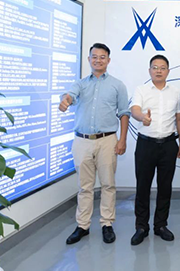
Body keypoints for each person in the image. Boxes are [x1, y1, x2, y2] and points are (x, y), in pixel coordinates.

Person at [60, 43, 129, 245]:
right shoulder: (80, 84)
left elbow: (124, 113)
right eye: (94, 56)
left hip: (107, 140)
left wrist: (122, 139)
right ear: (89, 59)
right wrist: (65, 101)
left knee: (108, 184)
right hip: (82, 141)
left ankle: (107, 223)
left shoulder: (117, 85)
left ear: (108, 60)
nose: (98, 60)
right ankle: (82, 226)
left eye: (102, 57)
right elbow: (69, 96)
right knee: (85, 187)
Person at [129, 54, 180, 245]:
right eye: (155, 67)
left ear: (168, 71)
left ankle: (160, 225)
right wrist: (142, 117)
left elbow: (179, 118)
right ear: (149, 70)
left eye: (162, 68)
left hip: (169, 144)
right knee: (142, 186)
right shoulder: (142, 90)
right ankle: (141, 226)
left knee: (165, 186)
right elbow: (134, 110)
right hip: (146, 144)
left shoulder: (176, 92)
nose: (158, 71)